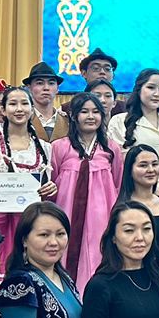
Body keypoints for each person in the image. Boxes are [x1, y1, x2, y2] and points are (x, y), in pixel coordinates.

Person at [0, 85, 57, 271]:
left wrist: (50, 187)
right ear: (3, 110)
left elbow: (44, 185)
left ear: (32, 109)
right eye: (13, 104)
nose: (19, 109)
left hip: (28, 221)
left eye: (24, 103)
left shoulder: (44, 147)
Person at [51, 92, 119, 285]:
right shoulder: (59, 147)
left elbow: (118, 183)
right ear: (74, 116)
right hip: (67, 213)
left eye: (96, 112)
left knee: (98, 253)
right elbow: (52, 183)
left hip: (101, 217)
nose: (91, 116)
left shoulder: (111, 149)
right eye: (84, 111)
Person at [108, 69, 159, 198]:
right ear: (139, 89)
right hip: (137, 195)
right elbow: (122, 162)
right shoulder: (120, 121)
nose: (157, 94)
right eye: (151, 87)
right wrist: (155, 190)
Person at [116, 144, 159, 269]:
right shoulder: (124, 208)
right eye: (143, 165)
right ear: (130, 170)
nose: (151, 170)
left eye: (155, 164)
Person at [24, 62, 69, 143]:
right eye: (40, 83)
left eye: (51, 83)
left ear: (57, 88)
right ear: (29, 87)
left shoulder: (68, 121)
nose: (46, 88)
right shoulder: (23, 119)